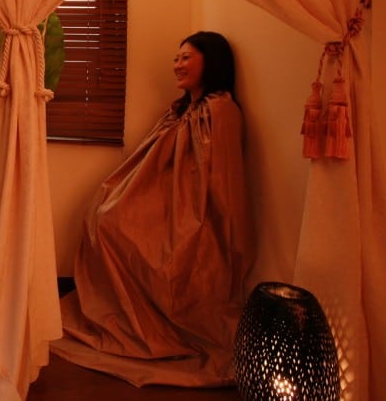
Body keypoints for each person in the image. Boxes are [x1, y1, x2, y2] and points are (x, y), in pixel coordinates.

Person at [51, 31, 254, 387]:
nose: (177, 65)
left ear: (212, 61)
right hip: (163, 201)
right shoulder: (181, 110)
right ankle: (121, 313)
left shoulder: (220, 111)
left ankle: (150, 323)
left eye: (186, 57)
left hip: (190, 214)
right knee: (103, 215)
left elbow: (221, 184)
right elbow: (150, 163)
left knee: (115, 224)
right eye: (176, 58)